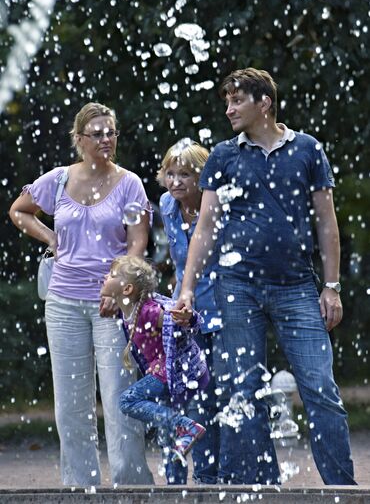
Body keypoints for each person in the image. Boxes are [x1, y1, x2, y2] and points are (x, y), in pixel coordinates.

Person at [176, 68, 356, 485]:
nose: (229, 109)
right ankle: (259, 488)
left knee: (320, 389)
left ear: (264, 103)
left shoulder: (308, 150)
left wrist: (331, 287)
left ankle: (343, 490)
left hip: (297, 286)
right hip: (236, 286)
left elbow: (327, 224)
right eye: (226, 101)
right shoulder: (223, 155)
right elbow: (205, 227)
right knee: (241, 392)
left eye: (237, 100)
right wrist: (187, 288)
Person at [9, 102, 154, 487]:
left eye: (111, 132)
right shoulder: (57, 180)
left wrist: (119, 286)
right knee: (71, 406)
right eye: (98, 133)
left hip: (114, 304)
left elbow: (137, 243)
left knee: (120, 399)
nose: (107, 139)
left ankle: (132, 487)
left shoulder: (130, 183)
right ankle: (80, 488)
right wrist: (51, 237)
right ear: (79, 140)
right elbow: (19, 211)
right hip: (63, 304)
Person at [100, 254, 209, 484]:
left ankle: (186, 425)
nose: (104, 277)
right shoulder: (126, 308)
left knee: (127, 401)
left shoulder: (147, 312)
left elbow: (177, 318)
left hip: (172, 374)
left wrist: (187, 318)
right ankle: (175, 489)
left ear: (127, 288)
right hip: (164, 373)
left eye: (110, 275)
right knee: (167, 439)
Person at [157, 138, 221, 484]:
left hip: (217, 312)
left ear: (202, 178)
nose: (176, 181)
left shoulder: (217, 206)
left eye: (186, 174)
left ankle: (210, 478)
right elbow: (179, 263)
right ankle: (174, 479)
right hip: (182, 314)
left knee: (208, 401)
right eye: (171, 173)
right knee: (175, 400)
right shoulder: (167, 204)